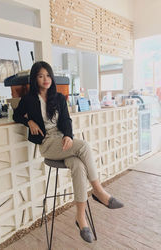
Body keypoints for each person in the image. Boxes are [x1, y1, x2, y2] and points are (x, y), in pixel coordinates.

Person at [13, 61, 124, 243]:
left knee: (78, 165)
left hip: (62, 140)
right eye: (41, 76)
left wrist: (68, 136)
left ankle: (81, 219)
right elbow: (16, 115)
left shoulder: (58, 97)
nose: (46, 79)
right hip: (48, 143)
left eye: (48, 75)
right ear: (35, 79)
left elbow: (66, 120)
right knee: (85, 146)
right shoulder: (28, 99)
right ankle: (98, 191)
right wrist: (29, 122)